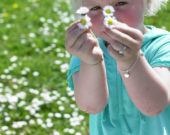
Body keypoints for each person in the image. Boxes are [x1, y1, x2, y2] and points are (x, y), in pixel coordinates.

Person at [65, 0, 170, 134]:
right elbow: (91, 106)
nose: (108, 16)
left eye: (121, 3)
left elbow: (153, 106)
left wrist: (132, 61)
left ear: (147, 2)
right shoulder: (86, 51)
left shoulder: (163, 46)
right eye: (96, 7)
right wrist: (91, 62)